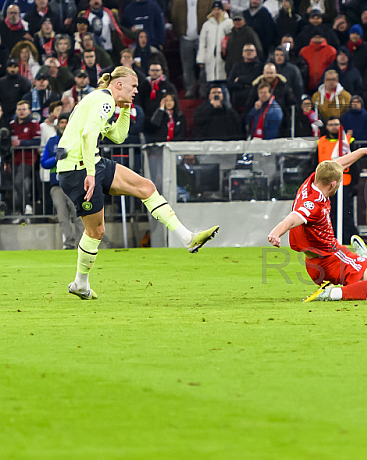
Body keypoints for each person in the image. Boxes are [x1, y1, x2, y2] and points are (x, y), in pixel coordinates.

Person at [56, 66, 219, 299]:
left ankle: (187, 238)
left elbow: (119, 137)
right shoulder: (104, 100)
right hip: (78, 169)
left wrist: (125, 110)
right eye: (133, 87)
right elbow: (88, 135)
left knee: (146, 187)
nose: (135, 92)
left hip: (90, 162)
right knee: (96, 231)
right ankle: (80, 284)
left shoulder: (105, 101)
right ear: (119, 84)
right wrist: (90, 173)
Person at [267, 145, 367, 302]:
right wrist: (276, 232)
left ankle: (364, 262)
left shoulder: (312, 181)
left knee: (363, 287)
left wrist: (361, 152)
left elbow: (337, 165)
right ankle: (331, 292)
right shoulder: (314, 204)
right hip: (332, 259)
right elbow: (294, 217)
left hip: (314, 264)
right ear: (333, 184)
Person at [40, 111, 84, 248]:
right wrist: (57, 158)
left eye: (66, 122)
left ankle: (82, 244)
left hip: (74, 183)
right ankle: (69, 243)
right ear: (57, 125)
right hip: (56, 184)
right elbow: (44, 162)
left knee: (78, 216)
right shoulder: (52, 141)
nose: (64, 125)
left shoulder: (76, 139)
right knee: (62, 216)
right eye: (61, 123)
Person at [10, 100, 40, 216]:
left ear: (29, 111)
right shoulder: (12, 124)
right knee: (15, 184)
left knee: (18, 181)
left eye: (24, 109)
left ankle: (27, 205)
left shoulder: (34, 124)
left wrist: (20, 143)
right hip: (13, 159)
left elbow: (37, 141)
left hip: (28, 159)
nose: (21, 112)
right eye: (19, 109)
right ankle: (19, 211)